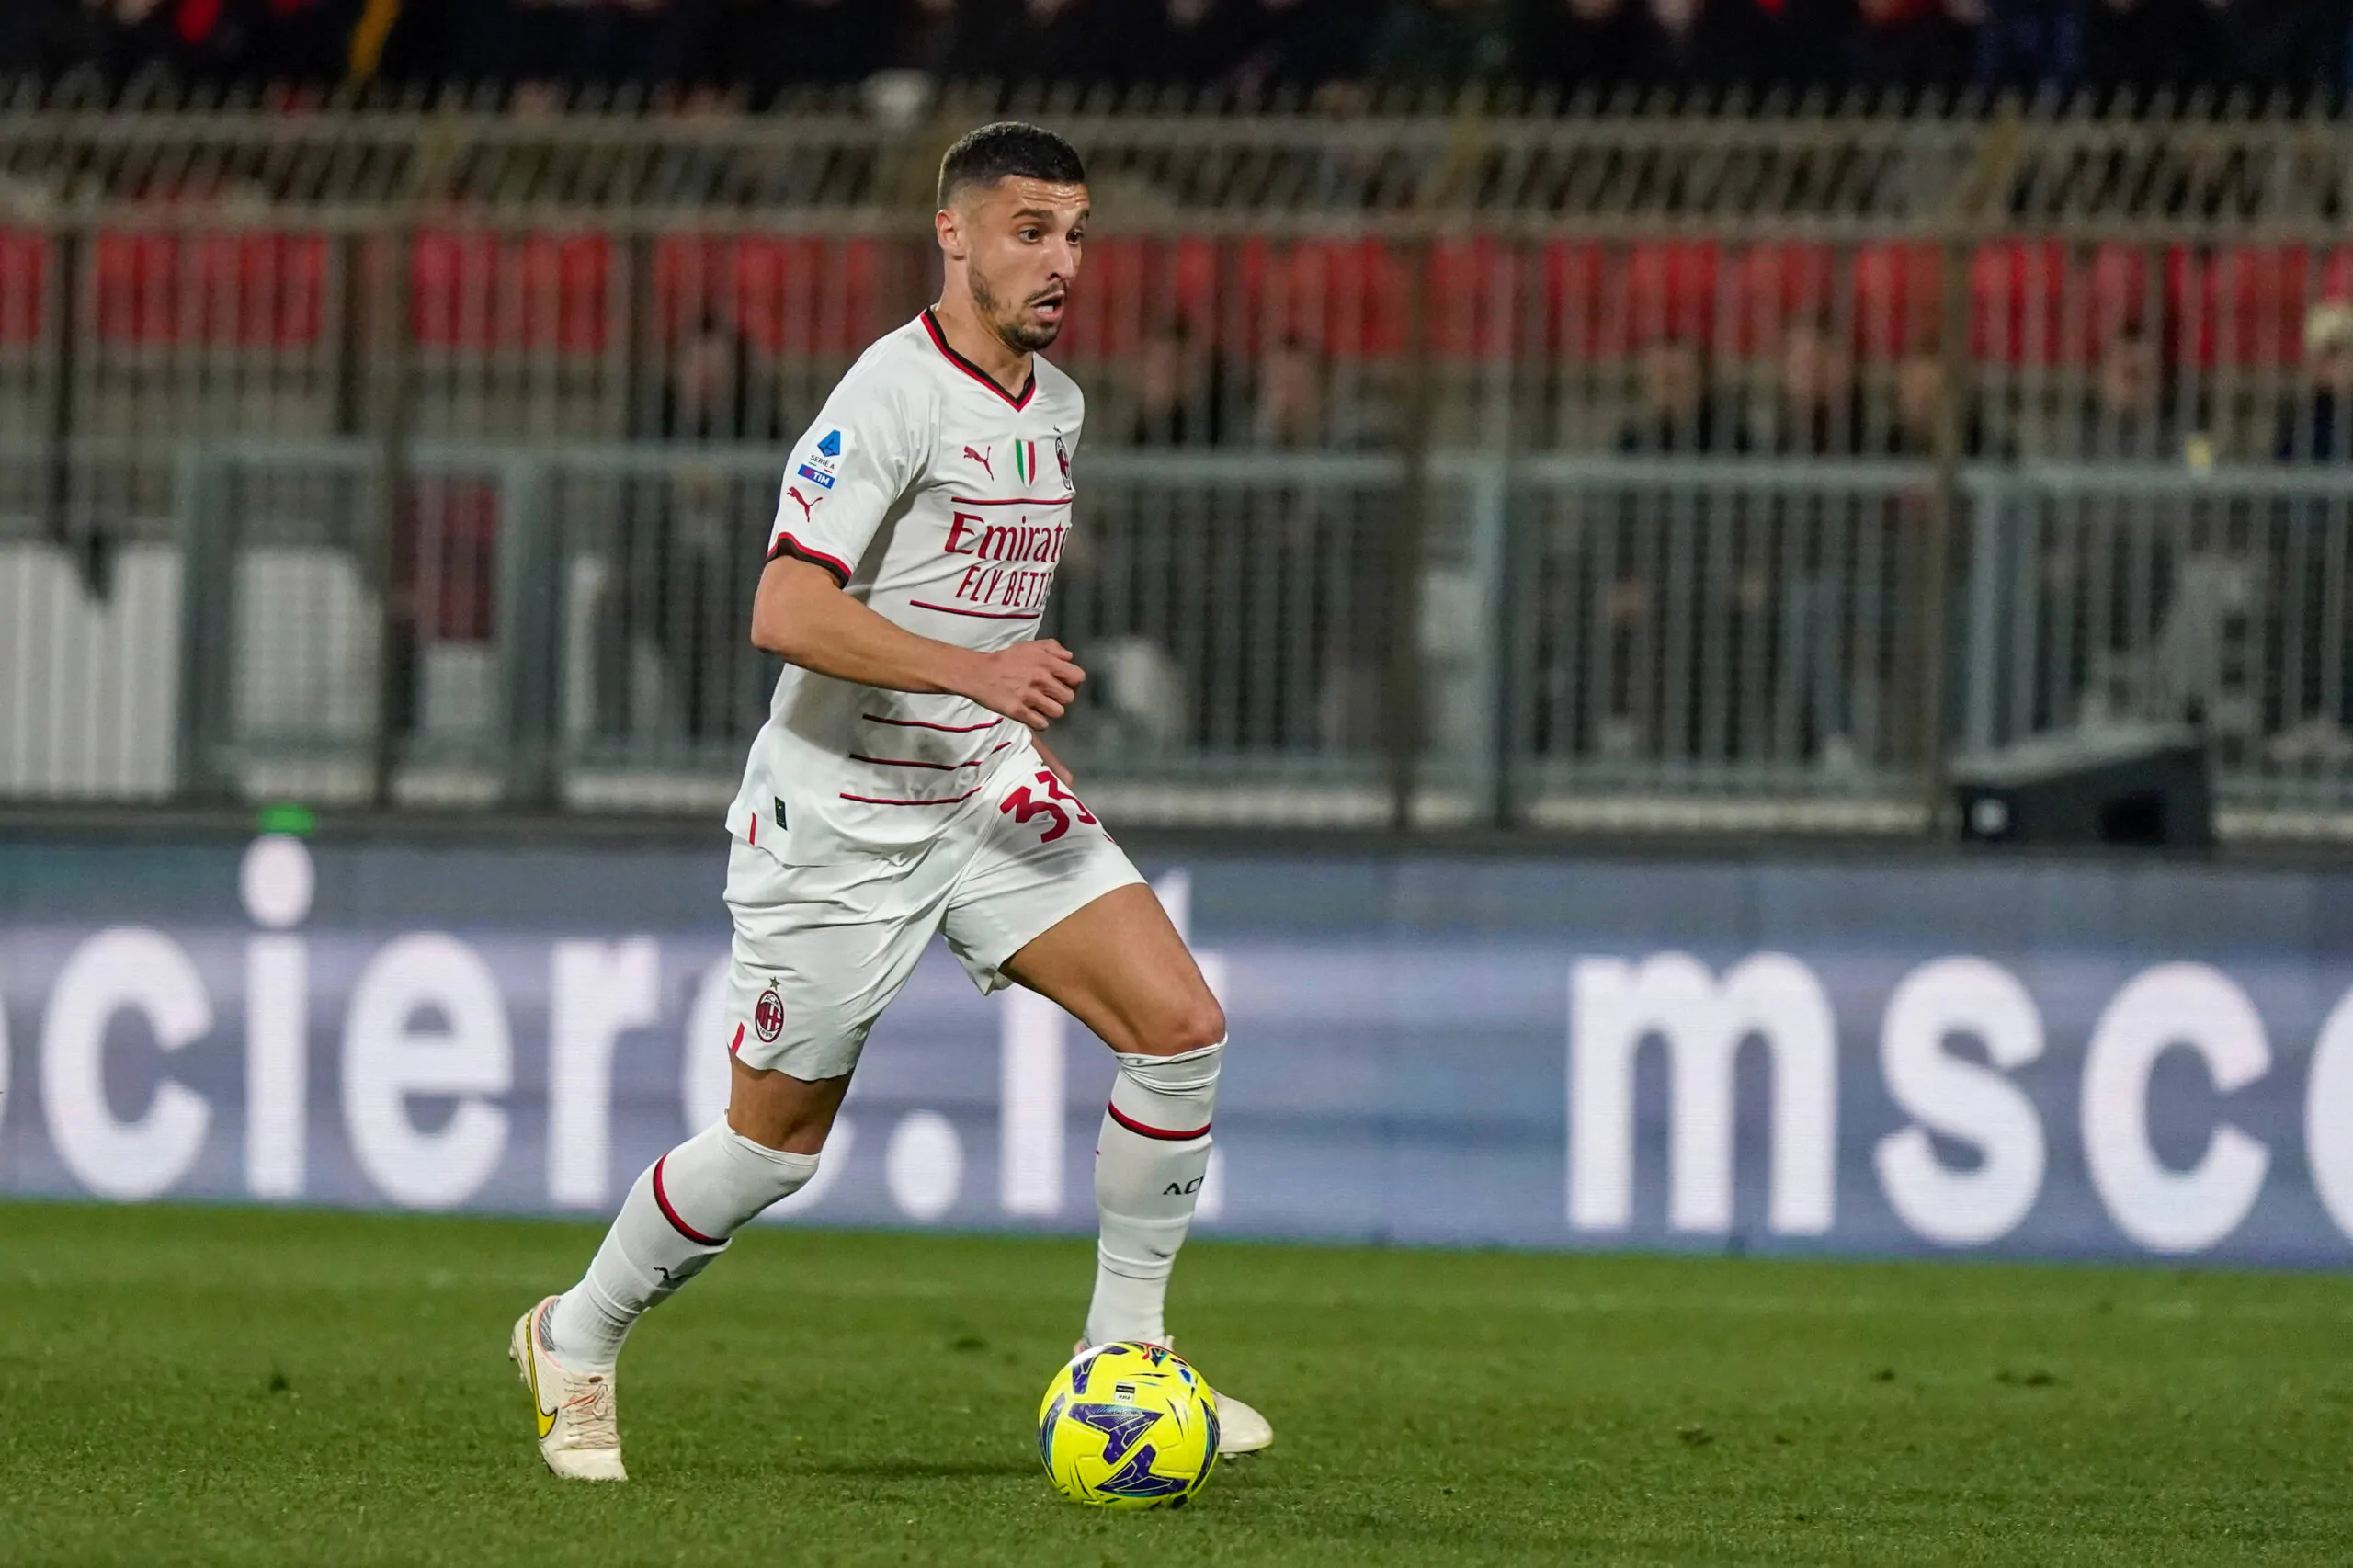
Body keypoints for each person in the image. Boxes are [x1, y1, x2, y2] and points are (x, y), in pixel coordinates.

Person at [508, 121, 1273, 1482]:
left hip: (980, 794)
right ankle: (575, 1332)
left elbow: (979, 593)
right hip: (839, 825)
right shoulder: (890, 393)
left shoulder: (1060, 406)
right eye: (1032, 230)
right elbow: (785, 604)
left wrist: (1001, 721)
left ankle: (1125, 1359)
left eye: (1078, 234)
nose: (1062, 262)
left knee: (1180, 1027)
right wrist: (979, 670)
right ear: (955, 234)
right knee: (772, 1149)